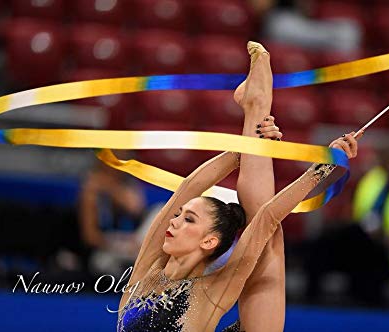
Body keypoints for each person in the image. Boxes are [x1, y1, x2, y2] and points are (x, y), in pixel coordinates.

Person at [116, 41, 358, 332]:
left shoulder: (210, 291)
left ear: (209, 242)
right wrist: (242, 149)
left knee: (268, 241)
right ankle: (255, 109)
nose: (174, 220)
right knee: (267, 242)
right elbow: (187, 189)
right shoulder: (147, 270)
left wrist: (322, 168)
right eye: (181, 215)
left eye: (188, 219)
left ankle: (256, 107)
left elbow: (266, 220)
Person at [303, 146, 389, 308]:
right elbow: (351, 216)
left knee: (366, 261)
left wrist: (385, 237)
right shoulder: (372, 180)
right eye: (384, 160)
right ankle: (310, 302)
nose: (387, 165)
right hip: (363, 244)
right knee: (324, 244)